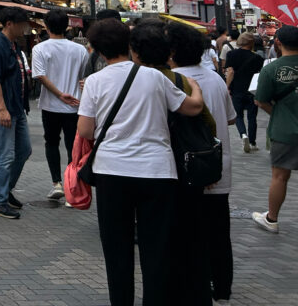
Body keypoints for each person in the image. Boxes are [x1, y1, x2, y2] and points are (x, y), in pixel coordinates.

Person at [78, 18, 205, 306]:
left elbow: (85, 130)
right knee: (156, 248)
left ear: (97, 50)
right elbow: (193, 108)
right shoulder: (155, 77)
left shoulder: (95, 81)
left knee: (116, 248)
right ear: (129, 45)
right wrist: (195, 86)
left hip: (111, 171)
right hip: (157, 171)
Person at [131, 20, 217, 306]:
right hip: (186, 167)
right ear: (168, 53)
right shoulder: (180, 81)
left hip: (149, 169)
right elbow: (206, 121)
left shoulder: (133, 79)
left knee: (157, 238)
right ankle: (195, 293)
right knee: (191, 235)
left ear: (137, 53)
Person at [168, 21, 236, 305]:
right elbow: (231, 118)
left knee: (187, 230)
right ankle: (222, 287)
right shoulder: (215, 79)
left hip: (184, 169)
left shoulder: (170, 80)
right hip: (217, 166)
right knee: (219, 231)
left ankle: (193, 285)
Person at [0, 6, 33, 220]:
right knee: (5, 154)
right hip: (3, 109)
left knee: (24, 150)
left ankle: (4, 191)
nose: (25, 28)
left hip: (17, 108)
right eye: (22, 24)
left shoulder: (14, 45)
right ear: (9, 23)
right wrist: (2, 109)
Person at [31, 9, 89, 201]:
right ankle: (73, 186)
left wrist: (58, 94)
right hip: (75, 105)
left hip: (50, 105)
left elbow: (40, 76)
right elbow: (84, 77)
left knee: (52, 143)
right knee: (74, 146)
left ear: (46, 27)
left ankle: (56, 183)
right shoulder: (80, 50)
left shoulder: (40, 48)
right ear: (67, 26)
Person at [252, 25, 298, 234]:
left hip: (284, 130)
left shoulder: (270, 69)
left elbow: (260, 101)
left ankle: (272, 219)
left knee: (279, 177)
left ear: (277, 42)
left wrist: (278, 114)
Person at [224, 31, 264, 154]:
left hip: (237, 89)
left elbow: (230, 72)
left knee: (238, 115)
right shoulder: (258, 58)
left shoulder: (231, 54)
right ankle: (252, 142)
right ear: (252, 43)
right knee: (252, 117)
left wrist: (227, 86)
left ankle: (243, 135)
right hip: (252, 90)